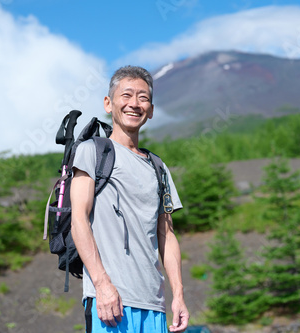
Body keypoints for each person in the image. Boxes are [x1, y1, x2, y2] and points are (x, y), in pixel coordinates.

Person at [70, 65, 189, 333]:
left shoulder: (158, 167)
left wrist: (178, 295)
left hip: (154, 306)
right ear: (108, 103)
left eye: (143, 98)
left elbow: (167, 235)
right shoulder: (92, 152)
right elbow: (78, 221)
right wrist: (102, 285)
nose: (134, 104)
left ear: (152, 110)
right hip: (111, 304)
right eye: (126, 95)